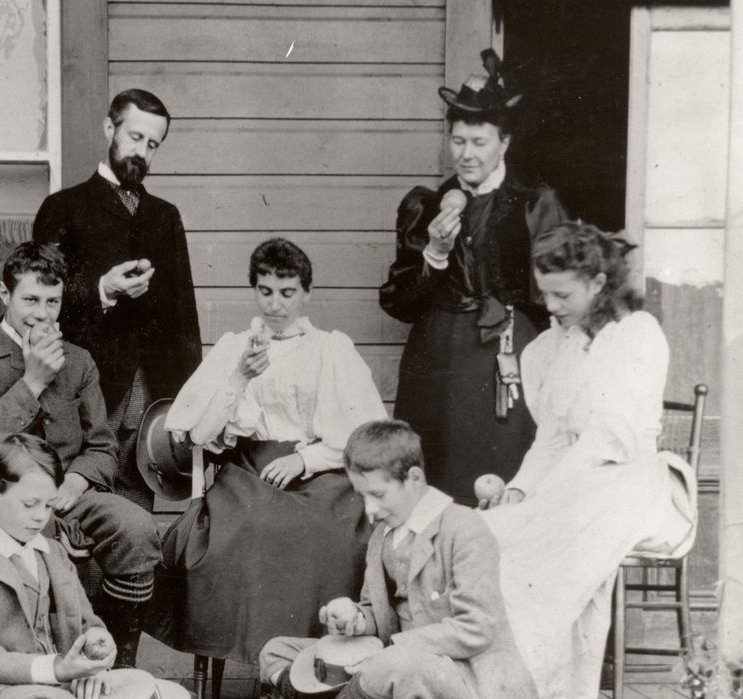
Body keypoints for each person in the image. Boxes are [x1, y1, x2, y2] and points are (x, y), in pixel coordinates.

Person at [480, 223, 697, 699]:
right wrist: (518, 491)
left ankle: (553, 688)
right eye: (544, 294)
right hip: (578, 481)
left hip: (633, 483)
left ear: (598, 284)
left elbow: (608, 440)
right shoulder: (551, 349)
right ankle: (508, 680)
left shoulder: (635, 336)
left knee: (545, 544)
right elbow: (553, 440)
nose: (551, 307)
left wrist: (546, 499)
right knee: (497, 535)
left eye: (562, 295)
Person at [149, 238, 389, 664]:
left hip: (324, 472)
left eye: (287, 292)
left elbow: (362, 431)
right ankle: (267, 660)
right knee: (254, 526)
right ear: (254, 290)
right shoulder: (234, 347)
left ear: (306, 293)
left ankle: (317, 660)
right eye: (265, 291)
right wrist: (239, 376)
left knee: (326, 531)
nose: (275, 304)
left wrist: (304, 459)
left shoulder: (330, 349)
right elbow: (199, 434)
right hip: (247, 471)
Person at [0, 242, 161, 669]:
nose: (43, 314)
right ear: (4, 296)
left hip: (66, 493)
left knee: (136, 527)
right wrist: (32, 384)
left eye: (53, 302)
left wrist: (77, 481)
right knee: (28, 531)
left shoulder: (78, 363)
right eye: (30, 300)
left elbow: (102, 447)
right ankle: (28, 664)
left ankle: (110, 662)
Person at [379, 49, 567, 505]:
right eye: (458, 141)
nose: (466, 154)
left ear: (504, 143)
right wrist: (435, 256)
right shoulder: (427, 205)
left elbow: (556, 298)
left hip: (506, 357)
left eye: (479, 143)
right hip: (437, 360)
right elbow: (398, 304)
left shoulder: (533, 203)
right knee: (436, 476)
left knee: (501, 472)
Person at [259, 420, 537, 699]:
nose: (369, 510)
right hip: (393, 665)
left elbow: (477, 628)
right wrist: (354, 618)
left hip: (466, 675)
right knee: (277, 650)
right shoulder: (383, 535)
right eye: (362, 496)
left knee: (392, 666)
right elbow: (379, 612)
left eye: (378, 495)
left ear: (414, 479)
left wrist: (392, 649)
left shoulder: (464, 528)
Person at [32, 88, 202, 513]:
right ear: (110, 128)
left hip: (150, 400)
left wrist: (189, 402)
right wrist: (101, 290)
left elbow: (185, 318)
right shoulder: (62, 208)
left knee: (134, 519)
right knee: (76, 514)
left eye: (153, 144)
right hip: (83, 395)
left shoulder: (166, 217)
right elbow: (38, 306)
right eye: (134, 137)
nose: (141, 152)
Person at [0, 433, 188, 699]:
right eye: (29, 504)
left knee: (166, 691)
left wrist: (95, 655)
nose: (40, 517)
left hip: (57, 682)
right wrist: (59, 670)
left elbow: (87, 624)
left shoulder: (52, 552)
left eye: (49, 506)